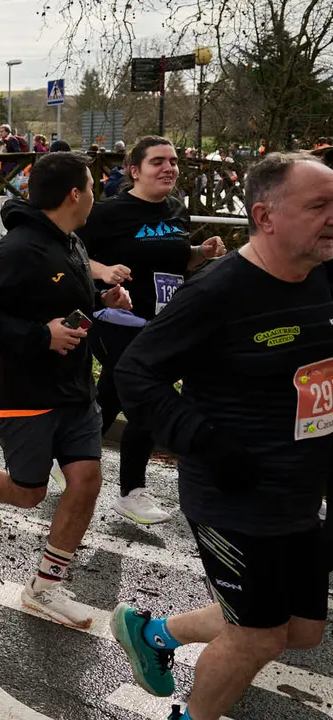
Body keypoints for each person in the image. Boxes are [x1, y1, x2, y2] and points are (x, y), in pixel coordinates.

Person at [110, 153, 333, 720]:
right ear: (264, 216)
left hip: (302, 489)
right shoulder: (219, 291)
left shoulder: (324, 273)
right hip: (234, 494)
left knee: (301, 630)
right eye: (319, 206)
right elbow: (136, 373)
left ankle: (154, 632)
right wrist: (207, 442)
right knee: (257, 635)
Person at [0, 151, 133, 629]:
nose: (96, 197)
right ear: (74, 194)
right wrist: (44, 335)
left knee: (86, 480)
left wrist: (102, 300)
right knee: (28, 493)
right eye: (92, 187)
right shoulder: (18, 248)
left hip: (76, 389)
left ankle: (45, 589)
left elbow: (61, 301)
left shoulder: (72, 242)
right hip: (26, 391)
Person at [79, 135, 227, 525]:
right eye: (157, 161)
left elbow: (178, 262)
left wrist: (201, 253)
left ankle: (71, 451)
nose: (169, 168)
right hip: (118, 318)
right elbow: (69, 250)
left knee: (112, 394)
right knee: (147, 393)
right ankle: (131, 491)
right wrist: (104, 272)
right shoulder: (111, 212)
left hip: (164, 321)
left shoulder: (177, 210)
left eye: (173, 161)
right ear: (134, 171)